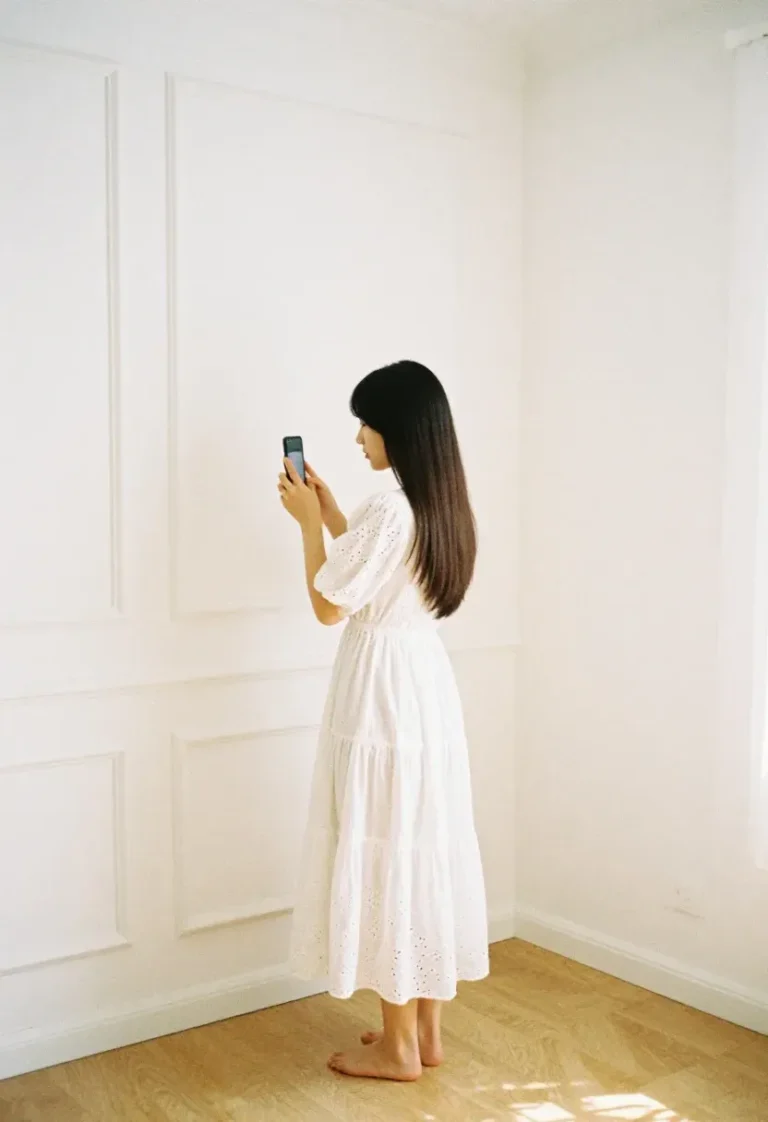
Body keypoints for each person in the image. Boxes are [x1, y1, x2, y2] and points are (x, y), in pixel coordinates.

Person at [277, 359, 488, 1081]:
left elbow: (331, 604)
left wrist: (308, 526)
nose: (360, 436)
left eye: (367, 422)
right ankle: (424, 1032)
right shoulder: (439, 503)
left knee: (385, 845)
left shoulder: (392, 509)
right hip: (424, 686)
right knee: (420, 844)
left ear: (397, 427)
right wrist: (336, 517)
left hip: (381, 695)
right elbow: (382, 576)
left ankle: (399, 1049)